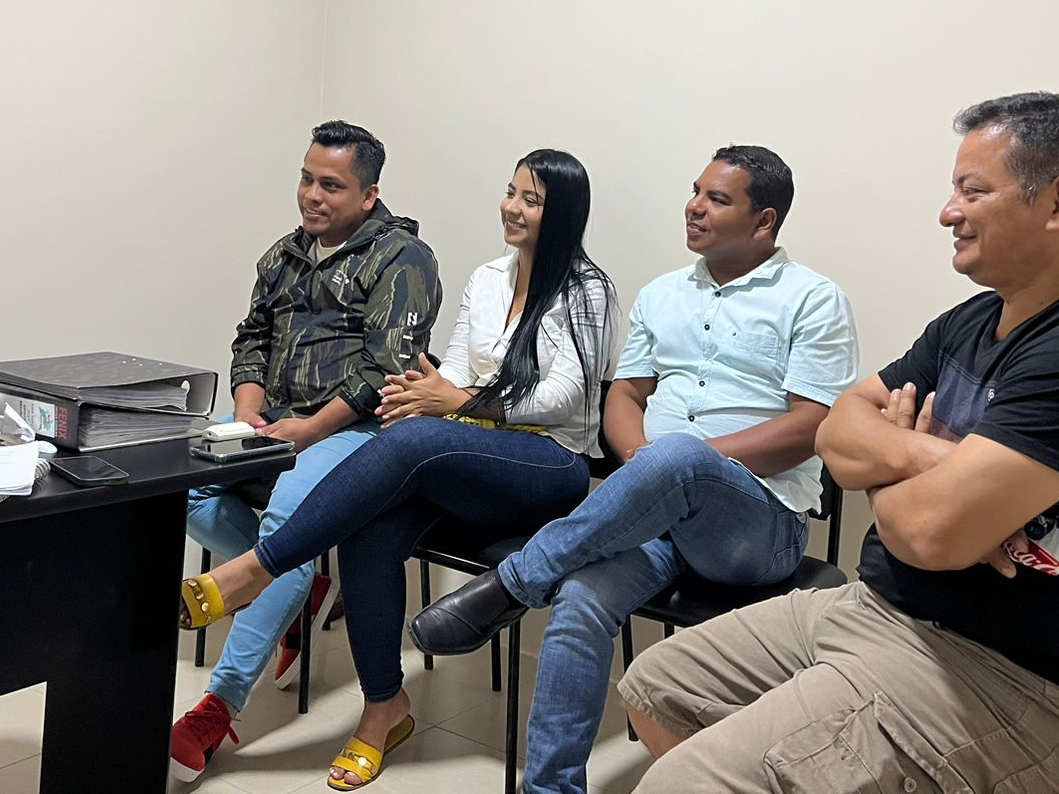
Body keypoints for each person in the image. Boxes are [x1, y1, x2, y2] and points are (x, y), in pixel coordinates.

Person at [618, 93, 1059, 794]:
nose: (947, 212)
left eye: (973, 191)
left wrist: (889, 466)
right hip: (875, 609)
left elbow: (928, 534)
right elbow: (840, 425)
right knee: (656, 688)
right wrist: (930, 459)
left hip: (1000, 676)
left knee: (680, 784)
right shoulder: (973, 320)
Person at [410, 145, 860, 794]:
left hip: (757, 526)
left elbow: (812, 424)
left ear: (764, 221)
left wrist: (685, 464)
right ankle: (550, 788)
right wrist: (647, 467)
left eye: (716, 199)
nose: (694, 207)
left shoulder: (813, 299)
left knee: (682, 455)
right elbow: (624, 396)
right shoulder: (662, 293)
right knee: (579, 598)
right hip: (656, 513)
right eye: (695, 191)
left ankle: (512, 583)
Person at [179, 148, 618, 789]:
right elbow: (454, 371)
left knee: (412, 439)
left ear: (564, 214)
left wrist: (456, 402)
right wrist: (428, 394)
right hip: (467, 453)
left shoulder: (587, 290)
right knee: (371, 526)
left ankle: (256, 569)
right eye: (510, 192)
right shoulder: (489, 277)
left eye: (531, 200)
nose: (512, 208)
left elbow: (564, 399)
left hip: (550, 462)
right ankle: (385, 707)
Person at [170, 120, 442, 784]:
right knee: (182, 484)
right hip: (276, 420)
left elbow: (386, 369)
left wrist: (311, 429)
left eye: (331, 186)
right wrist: (247, 413)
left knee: (287, 517)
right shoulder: (284, 254)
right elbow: (252, 338)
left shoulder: (404, 258)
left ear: (369, 194)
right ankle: (294, 580)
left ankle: (219, 705)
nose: (312, 196)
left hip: (360, 432)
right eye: (306, 179)